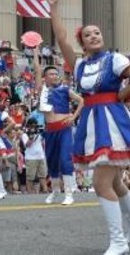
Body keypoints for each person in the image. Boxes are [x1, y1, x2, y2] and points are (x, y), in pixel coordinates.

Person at [50, 0, 130, 255]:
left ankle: (118, 241)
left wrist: (119, 96)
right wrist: (54, 8)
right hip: (91, 121)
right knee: (114, 182)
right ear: (82, 42)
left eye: (97, 33)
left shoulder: (114, 59)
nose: (94, 36)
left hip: (112, 120)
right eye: (88, 35)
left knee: (100, 182)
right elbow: (61, 39)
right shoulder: (80, 64)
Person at [33, 49, 83, 205]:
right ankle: (55, 191)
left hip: (64, 128)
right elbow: (36, 68)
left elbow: (82, 101)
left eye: (56, 74)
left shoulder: (65, 89)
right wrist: (35, 51)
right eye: (51, 74)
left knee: (65, 159)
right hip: (50, 130)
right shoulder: (43, 90)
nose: (54, 76)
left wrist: (73, 117)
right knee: (52, 161)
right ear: (45, 78)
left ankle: (69, 193)